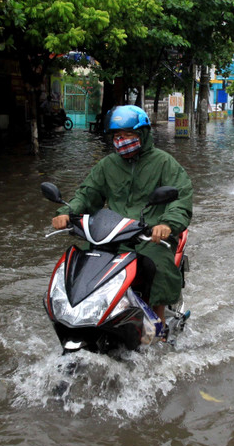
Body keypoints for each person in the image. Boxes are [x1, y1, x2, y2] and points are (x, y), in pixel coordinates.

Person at [51, 105, 193, 331]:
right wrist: (67, 212)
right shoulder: (107, 165)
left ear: (143, 134)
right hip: (112, 234)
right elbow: (88, 193)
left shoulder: (164, 163)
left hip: (150, 236)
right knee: (86, 261)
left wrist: (167, 224)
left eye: (128, 135)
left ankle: (159, 326)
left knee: (157, 265)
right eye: (117, 136)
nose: (122, 140)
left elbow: (180, 197)